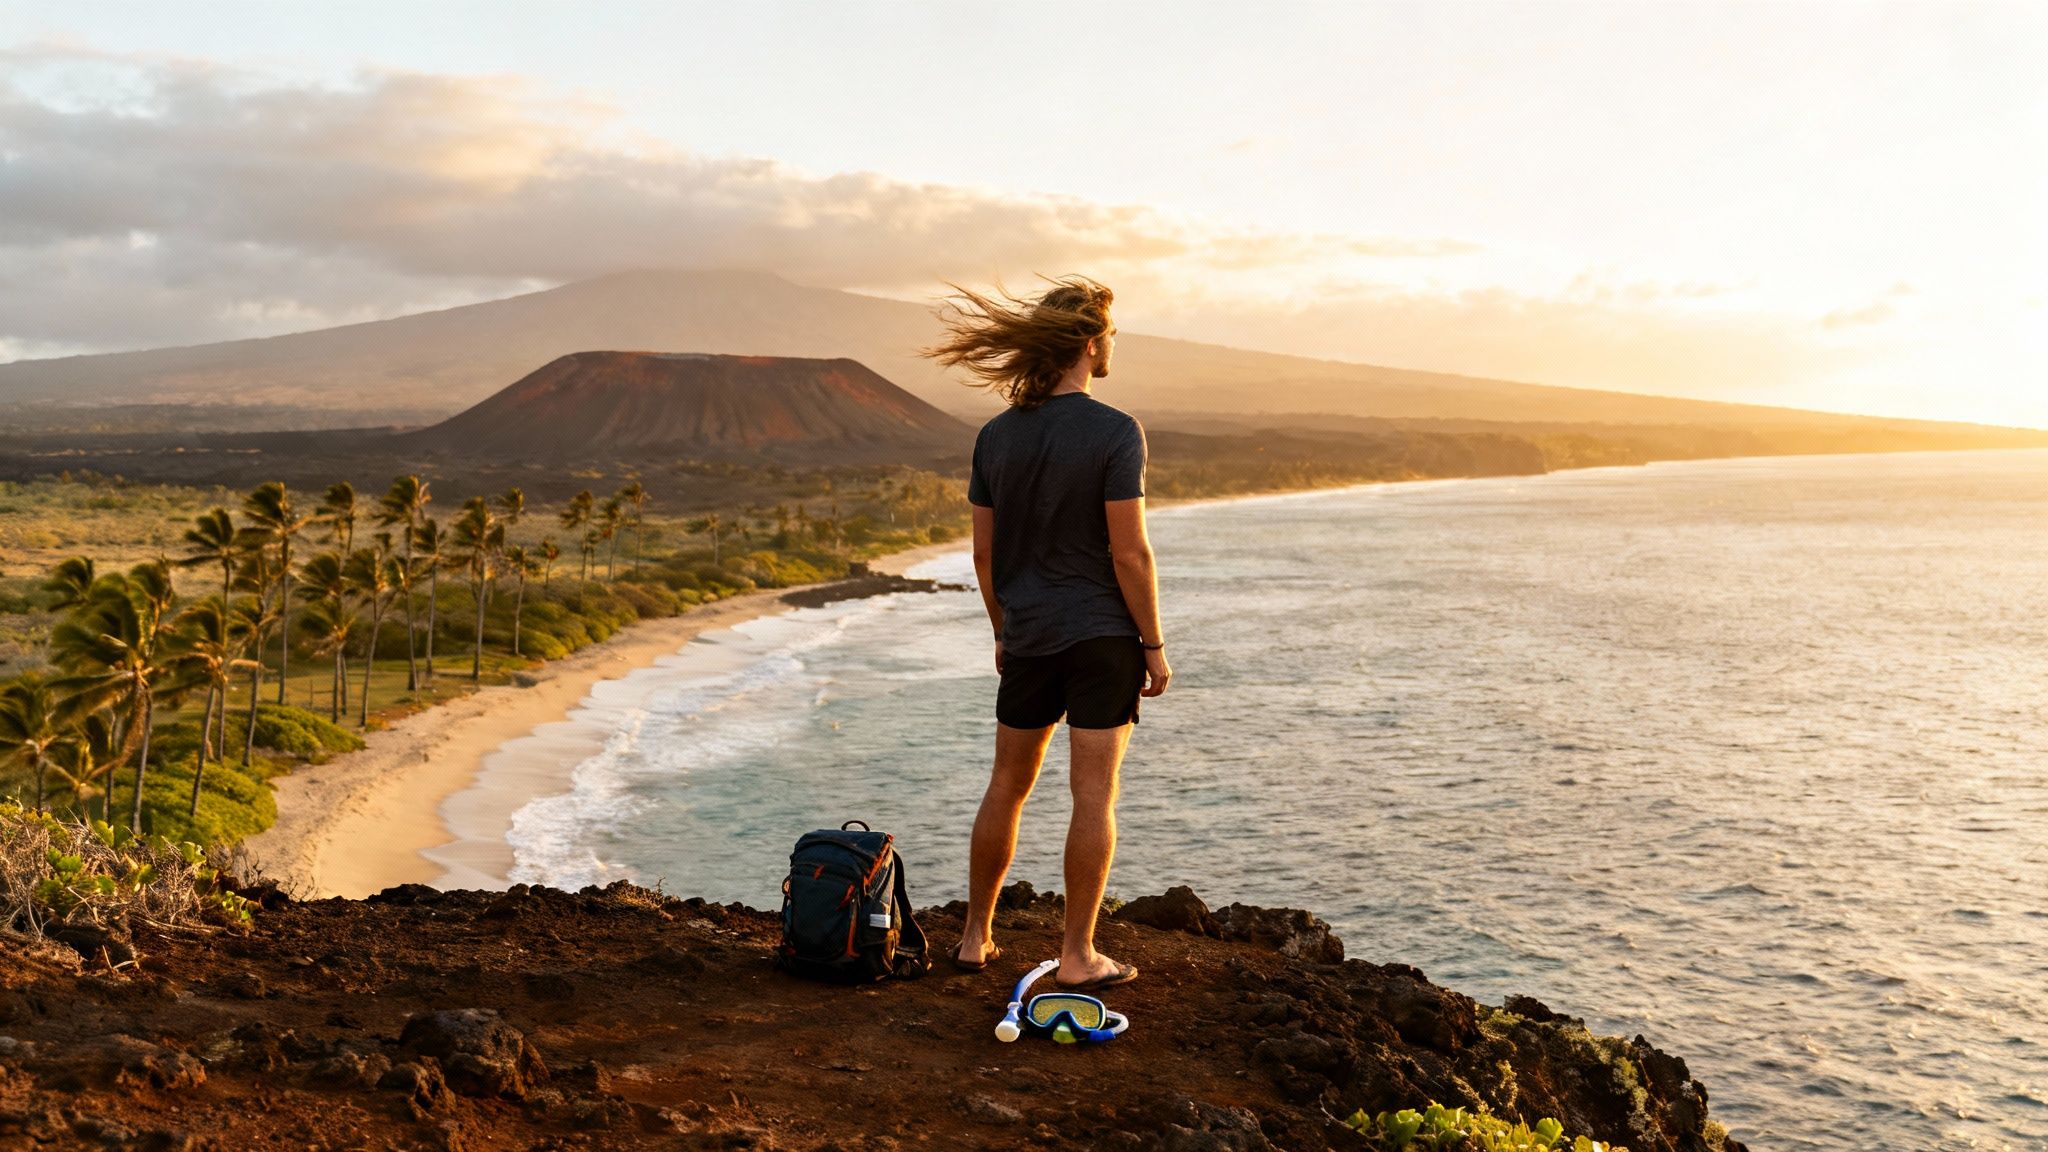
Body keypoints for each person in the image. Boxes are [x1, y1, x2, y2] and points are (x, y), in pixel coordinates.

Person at [919, 275, 1171, 991]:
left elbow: (983, 554)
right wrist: (1152, 645)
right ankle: (1078, 955)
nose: (1114, 344)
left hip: (1027, 636)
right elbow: (1129, 552)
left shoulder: (996, 435)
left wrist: (1005, 629)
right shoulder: (1115, 431)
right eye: (1112, 334)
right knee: (1094, 796)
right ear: (1090, 346)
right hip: (1101, 639)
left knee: (1007, 784)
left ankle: (975, 937)